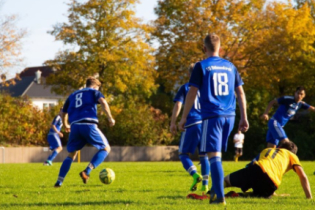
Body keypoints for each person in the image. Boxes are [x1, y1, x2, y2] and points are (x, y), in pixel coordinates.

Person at [179, 33, 249, 205]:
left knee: (214, 156)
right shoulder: (231, 66)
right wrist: (244, 117)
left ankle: (219, 196)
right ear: (220, 48)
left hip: (212, 116)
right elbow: (240, 92)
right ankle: (215, 194)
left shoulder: (201, 66)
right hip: (230, 117)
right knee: (216, 155)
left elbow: (192, 93)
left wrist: (183, 117)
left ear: (204, 48)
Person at [54, 76, 115, 187]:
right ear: (95, 86)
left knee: (72, 154)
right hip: (88, 125)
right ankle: (87, 171)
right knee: (106, 148)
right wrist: (110, 118)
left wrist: (66, 124)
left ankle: (59, 181)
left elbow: (63, 112)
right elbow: (103, 102)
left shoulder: (73, 95)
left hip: (75, 126)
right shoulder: (94, 92)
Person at [222, 141, 312, 199]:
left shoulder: (267, 150)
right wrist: (309, 197)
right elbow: (302, 176)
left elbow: (252, 164)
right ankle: (238, 196)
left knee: (226, 180)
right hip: (271, 183)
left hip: (256, 169)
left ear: (279, 147)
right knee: (259, 195)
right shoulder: (291, 155)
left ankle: (212, 193)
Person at [170, 64, 210, 193]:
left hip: (192, 123)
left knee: (183, 154)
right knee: (204, 156)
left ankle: (194, 174)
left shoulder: (186, 87)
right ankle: (205, 185)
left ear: (189, 74)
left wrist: (173, 123)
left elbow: (178, 105)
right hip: (206, 123)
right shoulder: (206, 88)